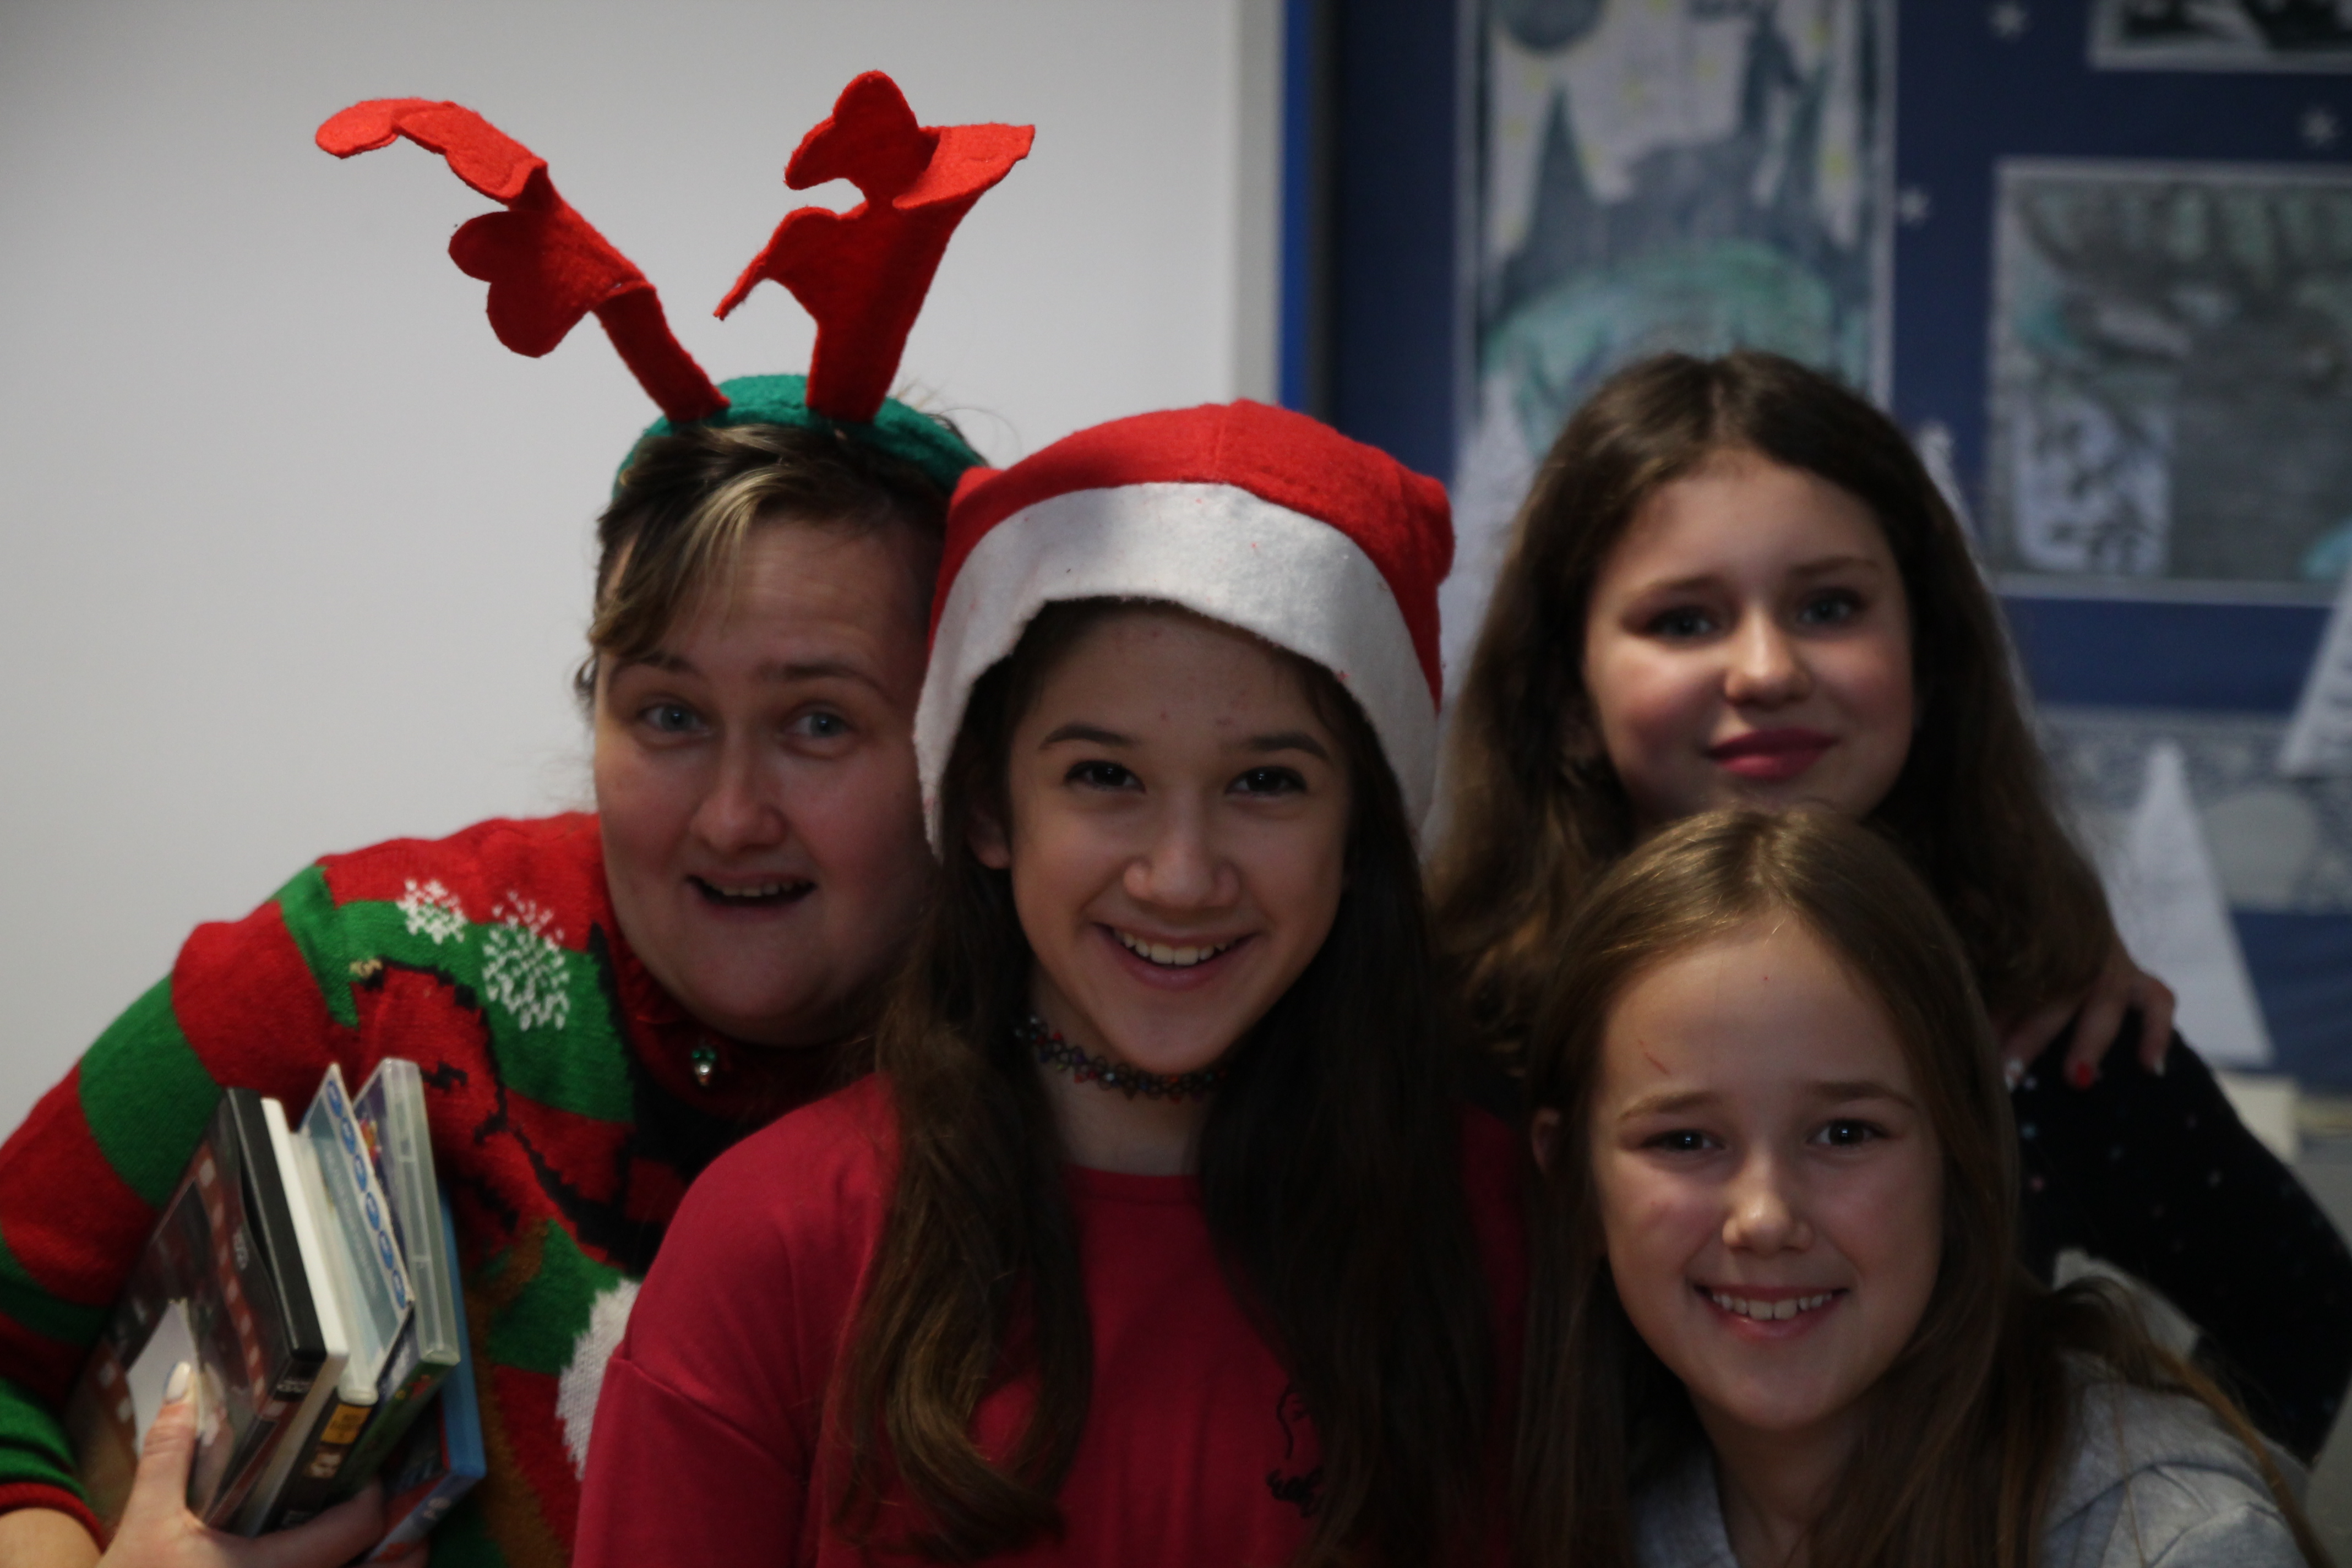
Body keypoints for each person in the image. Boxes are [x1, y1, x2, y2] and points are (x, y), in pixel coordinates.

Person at [0, 77, 1029, 1568]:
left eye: (819, 722)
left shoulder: (1063, 1065)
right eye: (667, 714)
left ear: (958, 754)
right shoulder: (369, 971)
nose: (732, 814)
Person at [575, 400, 1523, 1567]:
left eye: (1267, 782)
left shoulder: (1495, 1225)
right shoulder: (774, 1237)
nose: (1180, 876)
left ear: (1361, 830)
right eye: (1104, 775)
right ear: (986, 806)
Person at [1433, 350, 2352, 1460]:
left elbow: (2305, 1309)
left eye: (1829, 605)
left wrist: (2129, 1513)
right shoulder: (1449, 1034)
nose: (1766, 668)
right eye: (1684, 620)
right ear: (1567, 698)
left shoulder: (2041, 1021)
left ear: (1929, 655)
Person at [1512, 807, 2328, 1567]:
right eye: (1685, 1140)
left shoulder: (2171, 1542)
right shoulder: (1580, 1508)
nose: (1764, 1218)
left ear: (1960, 1150)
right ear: (1572, 1180)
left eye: (1846, 1134)